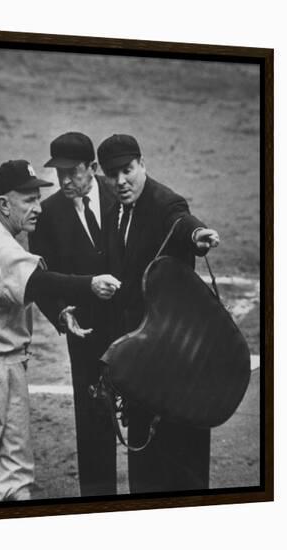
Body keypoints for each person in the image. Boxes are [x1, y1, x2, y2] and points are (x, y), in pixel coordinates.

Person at [0, 159, 120, 502]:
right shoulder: (4, 250)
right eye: (27, 199)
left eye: (38, 198)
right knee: (12, 480)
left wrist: (58, 316)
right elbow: (42, 281)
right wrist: (90, 284)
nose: (38, 208)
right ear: (3, 204)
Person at [97, 133, 220, 494]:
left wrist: (198, 234)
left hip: (177, 360)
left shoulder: (163, 201)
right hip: (144, 357)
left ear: (142, 165)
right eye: (112, 174)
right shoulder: (117, 208)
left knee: (181, 457)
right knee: (146, 462)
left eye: (127, 170)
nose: (120, 181)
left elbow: (181, 221)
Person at [28, 132, 118, 497]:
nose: (64, 180)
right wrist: (61, 312)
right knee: (93, 419)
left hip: (133, 326)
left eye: (73, 171)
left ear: (92, 168)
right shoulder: (48, 214)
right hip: (86, 332)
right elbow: (43, 277)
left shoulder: (120, 196)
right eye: (59, 172)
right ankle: (99, 503)